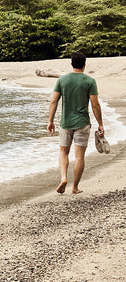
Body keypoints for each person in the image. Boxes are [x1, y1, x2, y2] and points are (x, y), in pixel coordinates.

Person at [47, 52, 104, 194]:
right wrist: (100, 124)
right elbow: (95, 105)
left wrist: (50, 121)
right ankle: (75, 188)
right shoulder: (90, 81)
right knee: (79, 156)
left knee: (63, 152)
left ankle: (63, 178)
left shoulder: (62, 80)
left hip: (65, 123)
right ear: (84, 64)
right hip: (82, 123)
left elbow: (54, 101)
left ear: (71, 64)